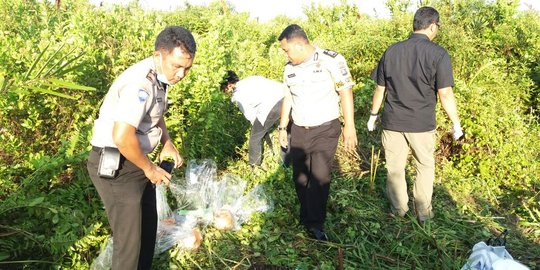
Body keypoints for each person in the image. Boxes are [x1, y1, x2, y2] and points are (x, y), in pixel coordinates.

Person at [86, 26, 196, 269]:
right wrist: (150, 169)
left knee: (147, 230)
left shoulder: (160, 76)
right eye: (176, 66)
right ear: (159, 55)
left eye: (187, 68)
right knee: (129, 247)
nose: (181, 74)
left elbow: (155, 115)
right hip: (118, 167)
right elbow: (122, 137)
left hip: (136, 161)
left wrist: (167, 142)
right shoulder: (140, 84)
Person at [368, 6, 463, 222]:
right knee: (424, 166)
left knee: (394, 169)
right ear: (432, 26)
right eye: (438, 26)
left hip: (392, 122)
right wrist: (456, 123)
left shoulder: (392, 51)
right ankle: (423, 214)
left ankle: (399, 211)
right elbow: (445, 93)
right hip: (421, 124)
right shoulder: (438, 54)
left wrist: (373, 115)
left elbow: (380, 89)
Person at [277, 24, 358, 241]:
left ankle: (315, 224)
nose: (285, 54)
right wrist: (283, 127)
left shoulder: (331, 60)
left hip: (325, 129)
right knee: (300, 177)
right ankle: (307, 216)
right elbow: (288, 97)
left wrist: (349, 125)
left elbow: (345, 91)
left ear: (299, 45)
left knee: (319, 177)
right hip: (300, 130)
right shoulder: (289, 69)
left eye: (286, 50)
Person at [220, 71, 289, 166]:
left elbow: (250, 115)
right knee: (287, 129)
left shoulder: (237, 96)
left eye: (224, 89)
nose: (225, 92)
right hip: (287, 97)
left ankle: (255, 167)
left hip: (271, 106)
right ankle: (285, 162)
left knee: (255, 138)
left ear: (228, 85)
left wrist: (260, 128)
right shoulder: (251, 78)